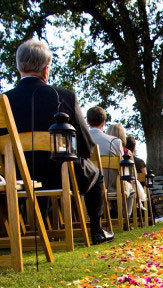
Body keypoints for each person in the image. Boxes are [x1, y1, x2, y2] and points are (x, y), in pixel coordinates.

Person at [4, 40, 113, 244]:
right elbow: (85, 146)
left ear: (19, 67)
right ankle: (97, 231)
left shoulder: (4, 101)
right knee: (96, 174)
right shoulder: (64, 97)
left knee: (34, 169)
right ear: (46, 69)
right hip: (59, 172)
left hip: (15, 175)